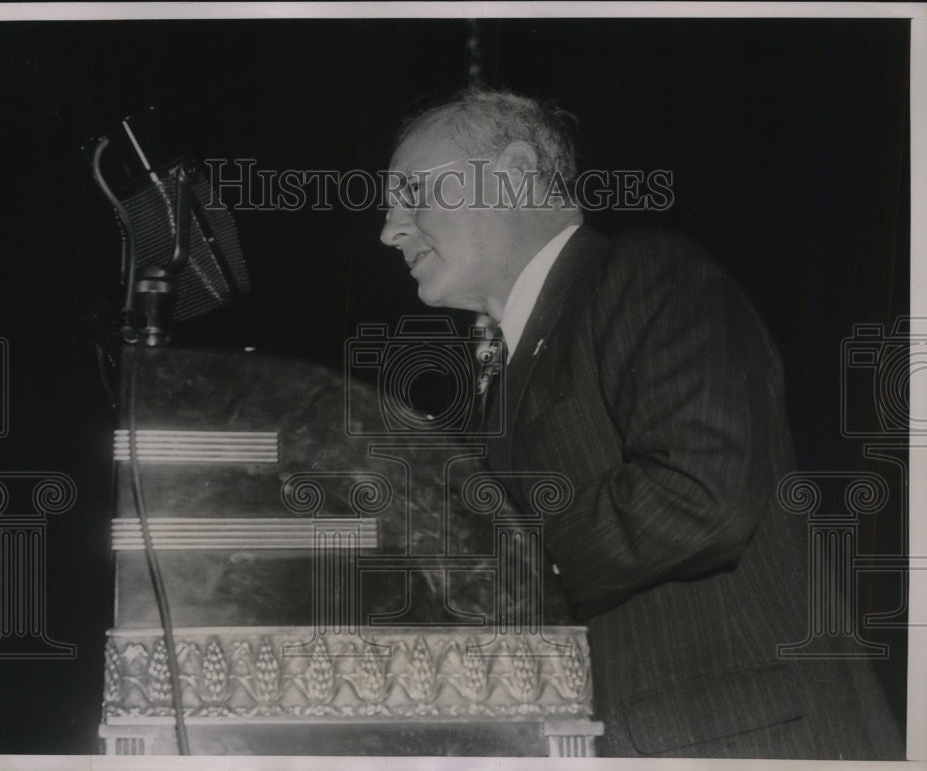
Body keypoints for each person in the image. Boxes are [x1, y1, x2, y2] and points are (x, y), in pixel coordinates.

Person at [379, 87, 903, 758]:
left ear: (511, 174)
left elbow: (697, 492)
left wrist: (495, 574)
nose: (390, 229)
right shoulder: (507, 364)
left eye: (412, 193)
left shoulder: (647, 272)